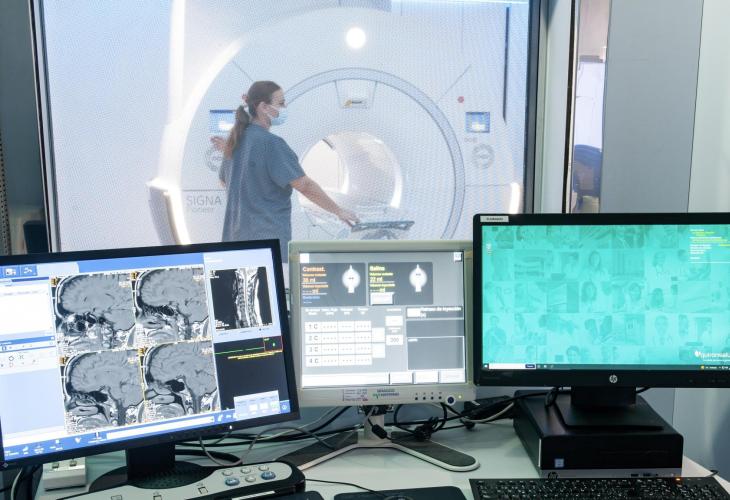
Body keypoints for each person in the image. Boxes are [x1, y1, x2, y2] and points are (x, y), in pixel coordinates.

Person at [216, 81, 358, 260]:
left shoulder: (235, 141)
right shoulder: (271, 144)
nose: (285, 108)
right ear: (263, 107)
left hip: (234, 239)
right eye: (281, 103)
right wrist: (338, 211)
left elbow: (224, 181)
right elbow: (304, 185)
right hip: (266, 241)